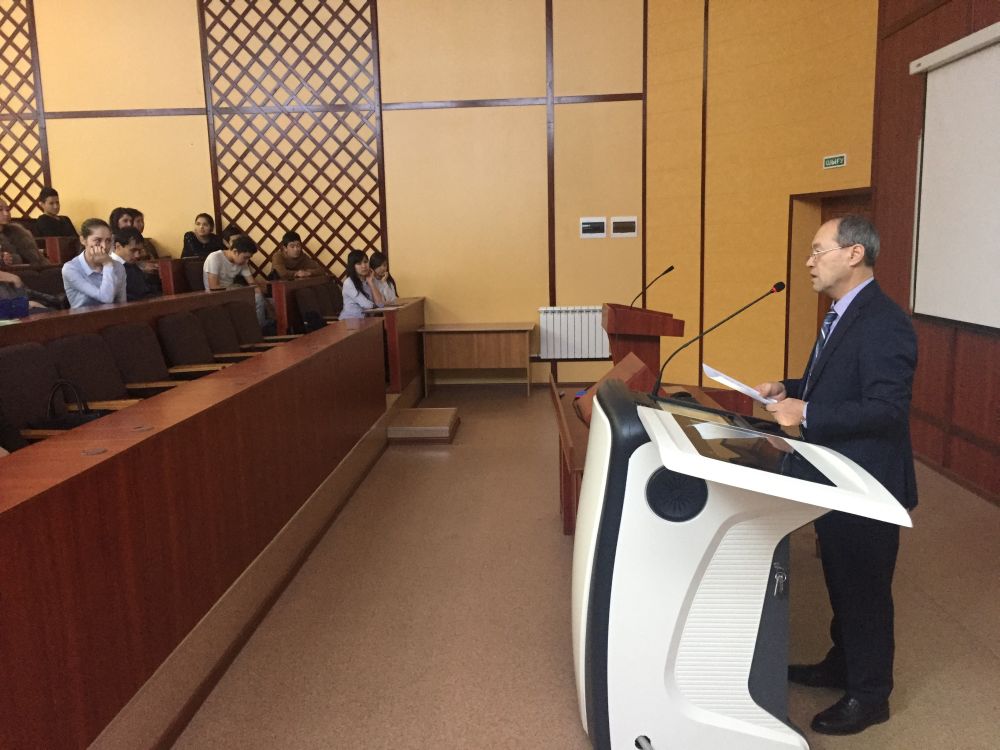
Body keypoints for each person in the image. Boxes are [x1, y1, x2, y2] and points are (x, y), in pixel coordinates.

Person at [755, 215, 917, 736]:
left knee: (864, 590)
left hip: (868, 481)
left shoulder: (884, 321)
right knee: (842, 578)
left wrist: (807, 413)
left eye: (817, 250)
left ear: (853, 254)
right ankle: (840, 663)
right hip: (835, 473)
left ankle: (870, 696)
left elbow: (886, 409)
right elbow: (835, 383)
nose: (808, 262)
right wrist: (790, 387)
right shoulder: (842, 314)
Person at [204, 234, 270, 326]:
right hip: (216, 296)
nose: (247, 261)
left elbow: (252, 284)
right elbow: (213, 287)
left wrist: (259, 293)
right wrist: (237, 290)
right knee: (258, 299)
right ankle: (259, 329)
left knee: (263, 299)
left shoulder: (242, 262)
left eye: (249, 258)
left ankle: (259, 327)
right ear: (235, 251)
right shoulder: (215, 258)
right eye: (245, 257)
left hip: (233, 293)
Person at [61, 218, 127, 308]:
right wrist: (107, 265)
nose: (104, 246)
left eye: (108, 241)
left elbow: (122, 303)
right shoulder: (71, 268)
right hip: (83, 316)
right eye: (98, 240)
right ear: (83, 240)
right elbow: (106, 298)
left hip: (113, 315)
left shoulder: (118, 266)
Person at [113, 226, 160, 301]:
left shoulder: (131, 264)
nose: (137, 255)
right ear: (118, 246)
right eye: (133, 250)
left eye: (139, 251)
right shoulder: (109, 267)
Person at [0, 198, 49, 266]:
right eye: (0, 210)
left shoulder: (18, 231)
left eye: (7, 210)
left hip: (32, 267)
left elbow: (35, 257)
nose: (6, 214)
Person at [339, 249, 384, 319]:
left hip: (367, 320)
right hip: (350, 320)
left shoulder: (371, 279)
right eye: (359, 263)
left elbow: (380, 304)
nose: (364, 266)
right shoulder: (349, 283)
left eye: (365, 262)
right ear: (352, 266)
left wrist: (371, 283)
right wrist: (377, 306)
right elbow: (366, 304)